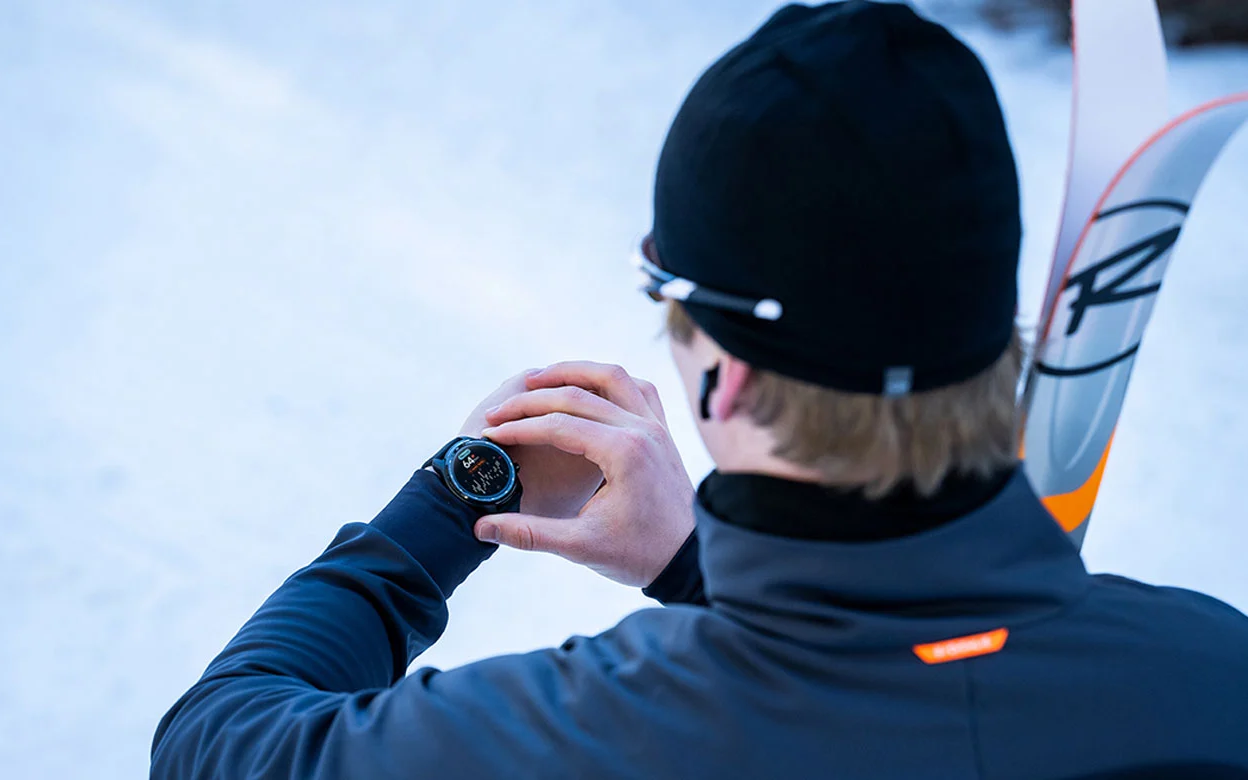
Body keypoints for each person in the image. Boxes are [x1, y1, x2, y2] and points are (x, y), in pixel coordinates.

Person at [150, 3, 1248, 778]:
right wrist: (693, 570)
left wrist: (452, 500)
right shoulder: (1214, 677)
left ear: (726, 378)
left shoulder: (580, 737)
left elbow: (216, 746)